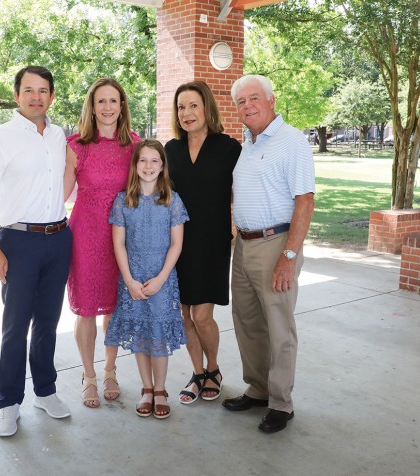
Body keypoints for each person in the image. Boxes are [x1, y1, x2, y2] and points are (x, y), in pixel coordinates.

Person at [0, 66, 72, 437]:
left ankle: (45, 391)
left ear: (52, 95)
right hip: (18, 241)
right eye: (28, 90)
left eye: (43, 90)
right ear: (16, 96)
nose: (36, 97)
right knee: (15, 327)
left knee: (47, 323)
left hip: (60, 238)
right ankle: (8, 402)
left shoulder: (59, 135)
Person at [223, 74, 315, 434]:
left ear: (271, 100)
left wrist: (288, 257)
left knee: (279, 327)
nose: (248, 106)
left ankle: (280, 402)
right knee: (247, 322)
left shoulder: (292, 142)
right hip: (244, 246)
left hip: (276, 244)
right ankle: (258, 388)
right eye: (241, 102)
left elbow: (305, 201)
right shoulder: (248, 143)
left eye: (254, 98)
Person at [63, 78, 141, 408]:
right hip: (85, 233)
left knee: (114, 307)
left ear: (122, 105)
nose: (108, 107)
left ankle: (110, 370)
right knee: (86, 311)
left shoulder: (135, 144)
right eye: (101, 101)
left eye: (114, 100)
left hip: (122, 235)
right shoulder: (75, 144)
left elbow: (147, 191)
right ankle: (88, 375)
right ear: (91, 107)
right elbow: (61, 195)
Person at [165, 81, 241, 405]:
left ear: (207, 108)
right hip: (179, 244)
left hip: (212, 243)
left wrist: (237, 224)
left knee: (202, 315)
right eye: (181, 107)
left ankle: (214, 369)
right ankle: (198, 373)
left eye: (193, 105)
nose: (187, 113)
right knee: (183, 313)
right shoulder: (171, 150)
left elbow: (245, 191)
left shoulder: (229, 148)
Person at [104, 139, 189, 419]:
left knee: (158, 336)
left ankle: (162, 389)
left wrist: (162, 278)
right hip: (133, 278)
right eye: (143, 160)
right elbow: (119, 243)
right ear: (135, 165)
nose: (148, 166)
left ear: (162, 165)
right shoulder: (123, 200)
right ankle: (147, 388)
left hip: (162, 279)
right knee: (141, 335)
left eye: (155, 161)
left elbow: (177, 244)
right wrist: (129, 280)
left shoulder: (172, 200)